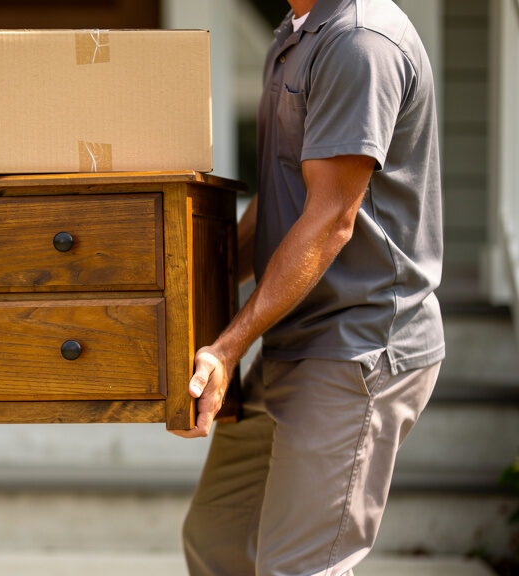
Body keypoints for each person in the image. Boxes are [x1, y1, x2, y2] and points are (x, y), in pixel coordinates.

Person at [176, 0, 443, 574]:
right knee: (217, 539)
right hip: (291, 337)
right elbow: (281, 207)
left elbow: (328, 222)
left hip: (355, 344)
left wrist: (228, 346)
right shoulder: (295, 35)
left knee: (298, 567)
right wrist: (179, 300)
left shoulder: (360, 43)